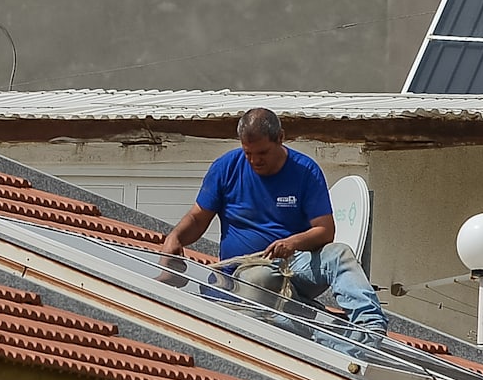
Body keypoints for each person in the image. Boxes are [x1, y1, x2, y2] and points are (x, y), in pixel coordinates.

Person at [159, 108, 387, 344]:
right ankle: (311, 327)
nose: (255, 160)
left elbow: (325, 231)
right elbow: (198, 218)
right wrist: (176, 237)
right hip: (247, 275)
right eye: (248, 153)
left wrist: (292, 243)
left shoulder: (305, 171)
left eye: (262, 152)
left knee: (339, 254)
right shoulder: (226, 168)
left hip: (295, 266)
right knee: (261, 277)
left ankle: (370, 327)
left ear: (280, 138)